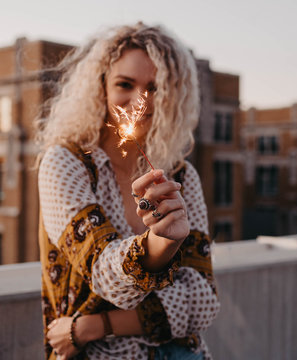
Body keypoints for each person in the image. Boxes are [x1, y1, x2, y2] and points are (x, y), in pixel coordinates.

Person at [37, 22, 220, 360]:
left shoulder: (181, 175)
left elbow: (203, 302)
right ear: (101, 86)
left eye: (155, 87)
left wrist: (91, 326)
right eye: (125, 84)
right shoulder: (66, 163)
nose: (140, 101)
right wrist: (159, 244)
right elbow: (102, 273)